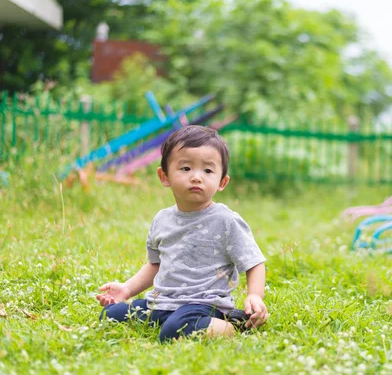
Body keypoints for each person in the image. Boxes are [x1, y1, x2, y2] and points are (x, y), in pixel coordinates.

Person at [96, 125, 268, 342]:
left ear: (222, 181)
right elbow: (155, 265)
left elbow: (253, 262)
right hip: (161, 303)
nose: (196, 177)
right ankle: (172, 321)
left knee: (173, 330)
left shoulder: (225, 220)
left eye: (208, 170)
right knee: (110, 315)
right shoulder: (162, 219)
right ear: (164, 176)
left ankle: (232, 323)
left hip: (203, 305)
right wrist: (127, 289)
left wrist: (254, 295)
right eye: (185, 168)